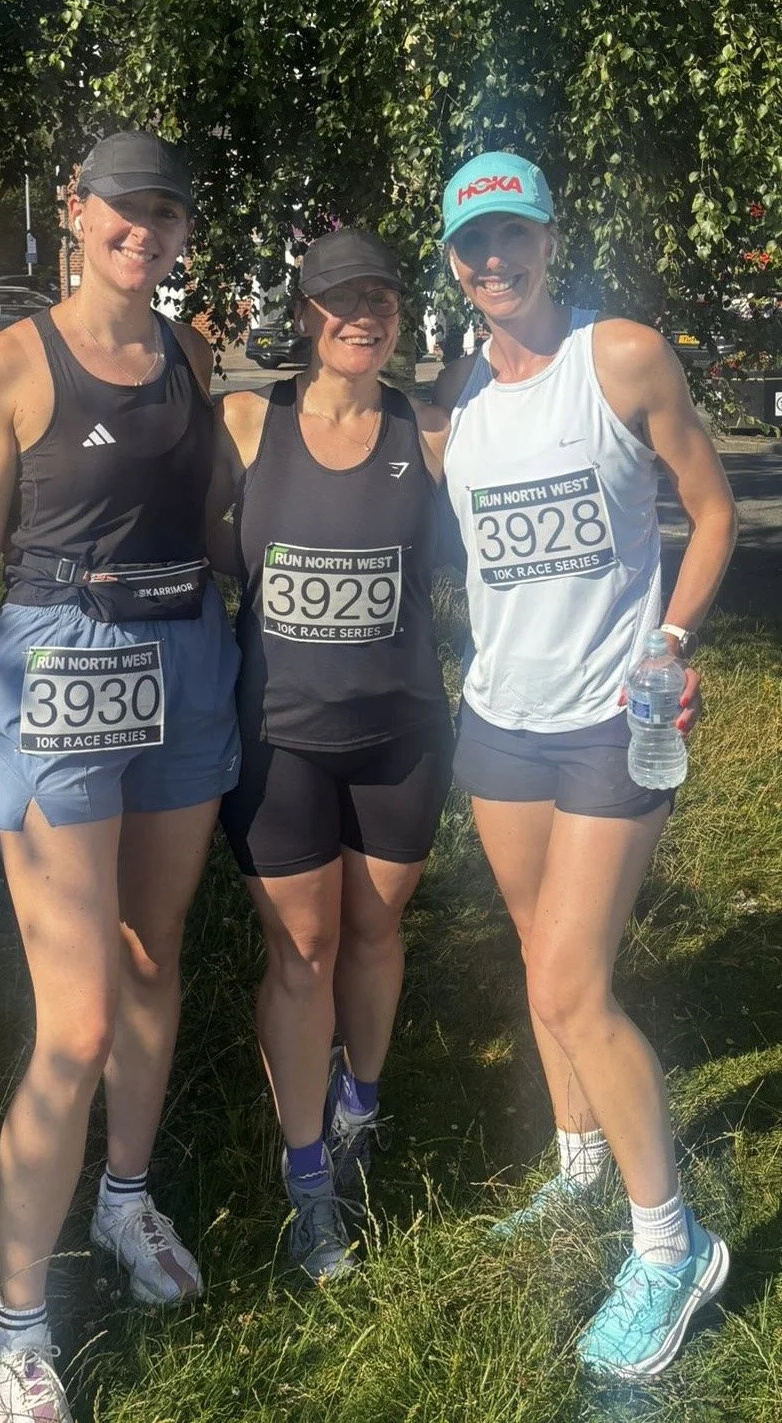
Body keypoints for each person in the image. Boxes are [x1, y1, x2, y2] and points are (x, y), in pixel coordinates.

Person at [0, 130, 240, 1423]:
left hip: (185, 657)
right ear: (74, 213)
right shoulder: (4, 366)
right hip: (58, 665)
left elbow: (220, 503)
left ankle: (123, 1197)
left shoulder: (189, 353)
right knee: (73, 1017)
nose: (144, 230)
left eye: (164, 213)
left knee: (153, 949)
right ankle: (15, 1324)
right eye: (123, 209)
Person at [434, 150, 738, 1377]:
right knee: (534, 953)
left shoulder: (617, 356)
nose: (493, 261)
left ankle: (669, 1245)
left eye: (512, 236)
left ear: (550, 238)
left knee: (569, 981)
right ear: (451, 262)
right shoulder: (460, 403)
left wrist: (670, 637)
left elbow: (709, 507)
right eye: (471, 245)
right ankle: (576, 1170)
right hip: (499, 722)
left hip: (616, 722)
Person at [212, 229, 453, 1280]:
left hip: (402, 736)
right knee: (301, 952)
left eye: (380, 296)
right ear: (301, 314)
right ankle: (307, 1173)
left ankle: (360, 1105)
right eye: (337, 298)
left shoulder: (431, 429)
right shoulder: (245, 419)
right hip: (282, 744)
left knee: (376, 929)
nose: (363, 312)